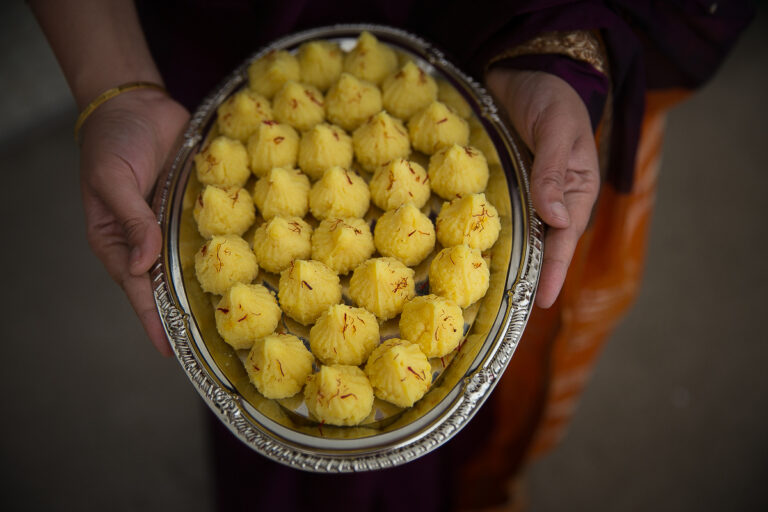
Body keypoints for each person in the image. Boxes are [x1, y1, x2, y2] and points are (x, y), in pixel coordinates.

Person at [31, 0, 752, 509]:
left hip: (473, 23)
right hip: (217, 38)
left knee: (464, 427)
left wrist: (555, 52)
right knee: (273, 456)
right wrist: (115, 86)